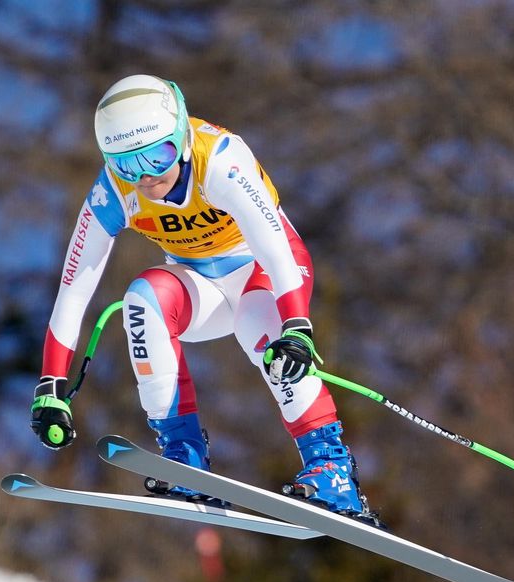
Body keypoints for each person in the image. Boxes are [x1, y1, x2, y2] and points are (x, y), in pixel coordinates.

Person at [30, 74, 376, 520]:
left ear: (180, 138)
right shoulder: (113, 192)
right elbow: (74, 290)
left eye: (159, 155)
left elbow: (275, 251)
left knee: (258, 321)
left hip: (266, 272)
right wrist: (51, 387)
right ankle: (184, 457)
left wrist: (296, 327)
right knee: (142, 300)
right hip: (201, 287)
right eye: (128, 165)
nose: (147, 177)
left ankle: (331, 469)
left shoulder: (220, 159)